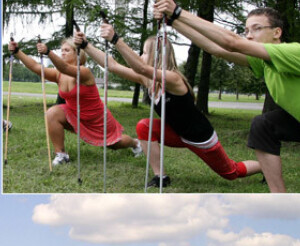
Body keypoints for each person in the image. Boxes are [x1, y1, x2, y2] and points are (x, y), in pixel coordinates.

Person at [74, 24, 261, 188]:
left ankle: (263, 167)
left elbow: (140, 67)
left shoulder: (172, 79)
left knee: (231, 172)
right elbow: (113, 66)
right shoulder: (147, 80)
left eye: (145, 52)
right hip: (177, 133)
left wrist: (116, 39)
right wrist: (86, 45)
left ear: (157, 56)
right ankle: (160, 176)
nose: (140, 55)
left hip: (200, 138)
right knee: (144, 126)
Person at [154, 0, 300, 192]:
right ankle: (279, 197)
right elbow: (216, 48)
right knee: (263, 125)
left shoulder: (292, 52)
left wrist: (178, 12)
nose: (248, 35)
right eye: (246, 30)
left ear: (277, 32)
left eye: (256, 28)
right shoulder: (264, 62)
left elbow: (232, 42)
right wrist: (173, 22)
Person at [8, 37, 142, 166]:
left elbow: (65, 68)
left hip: (97, 119)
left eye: (67, 50)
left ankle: (136, 143)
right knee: (52, 113)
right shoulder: (58, 74)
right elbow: (37, 68)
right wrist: (17, 52)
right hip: (75, 115)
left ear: (78, 54)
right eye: (62, 50)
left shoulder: (84, 72)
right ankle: (61, 154)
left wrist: (48, 52)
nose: (63, 53)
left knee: (114, 145)